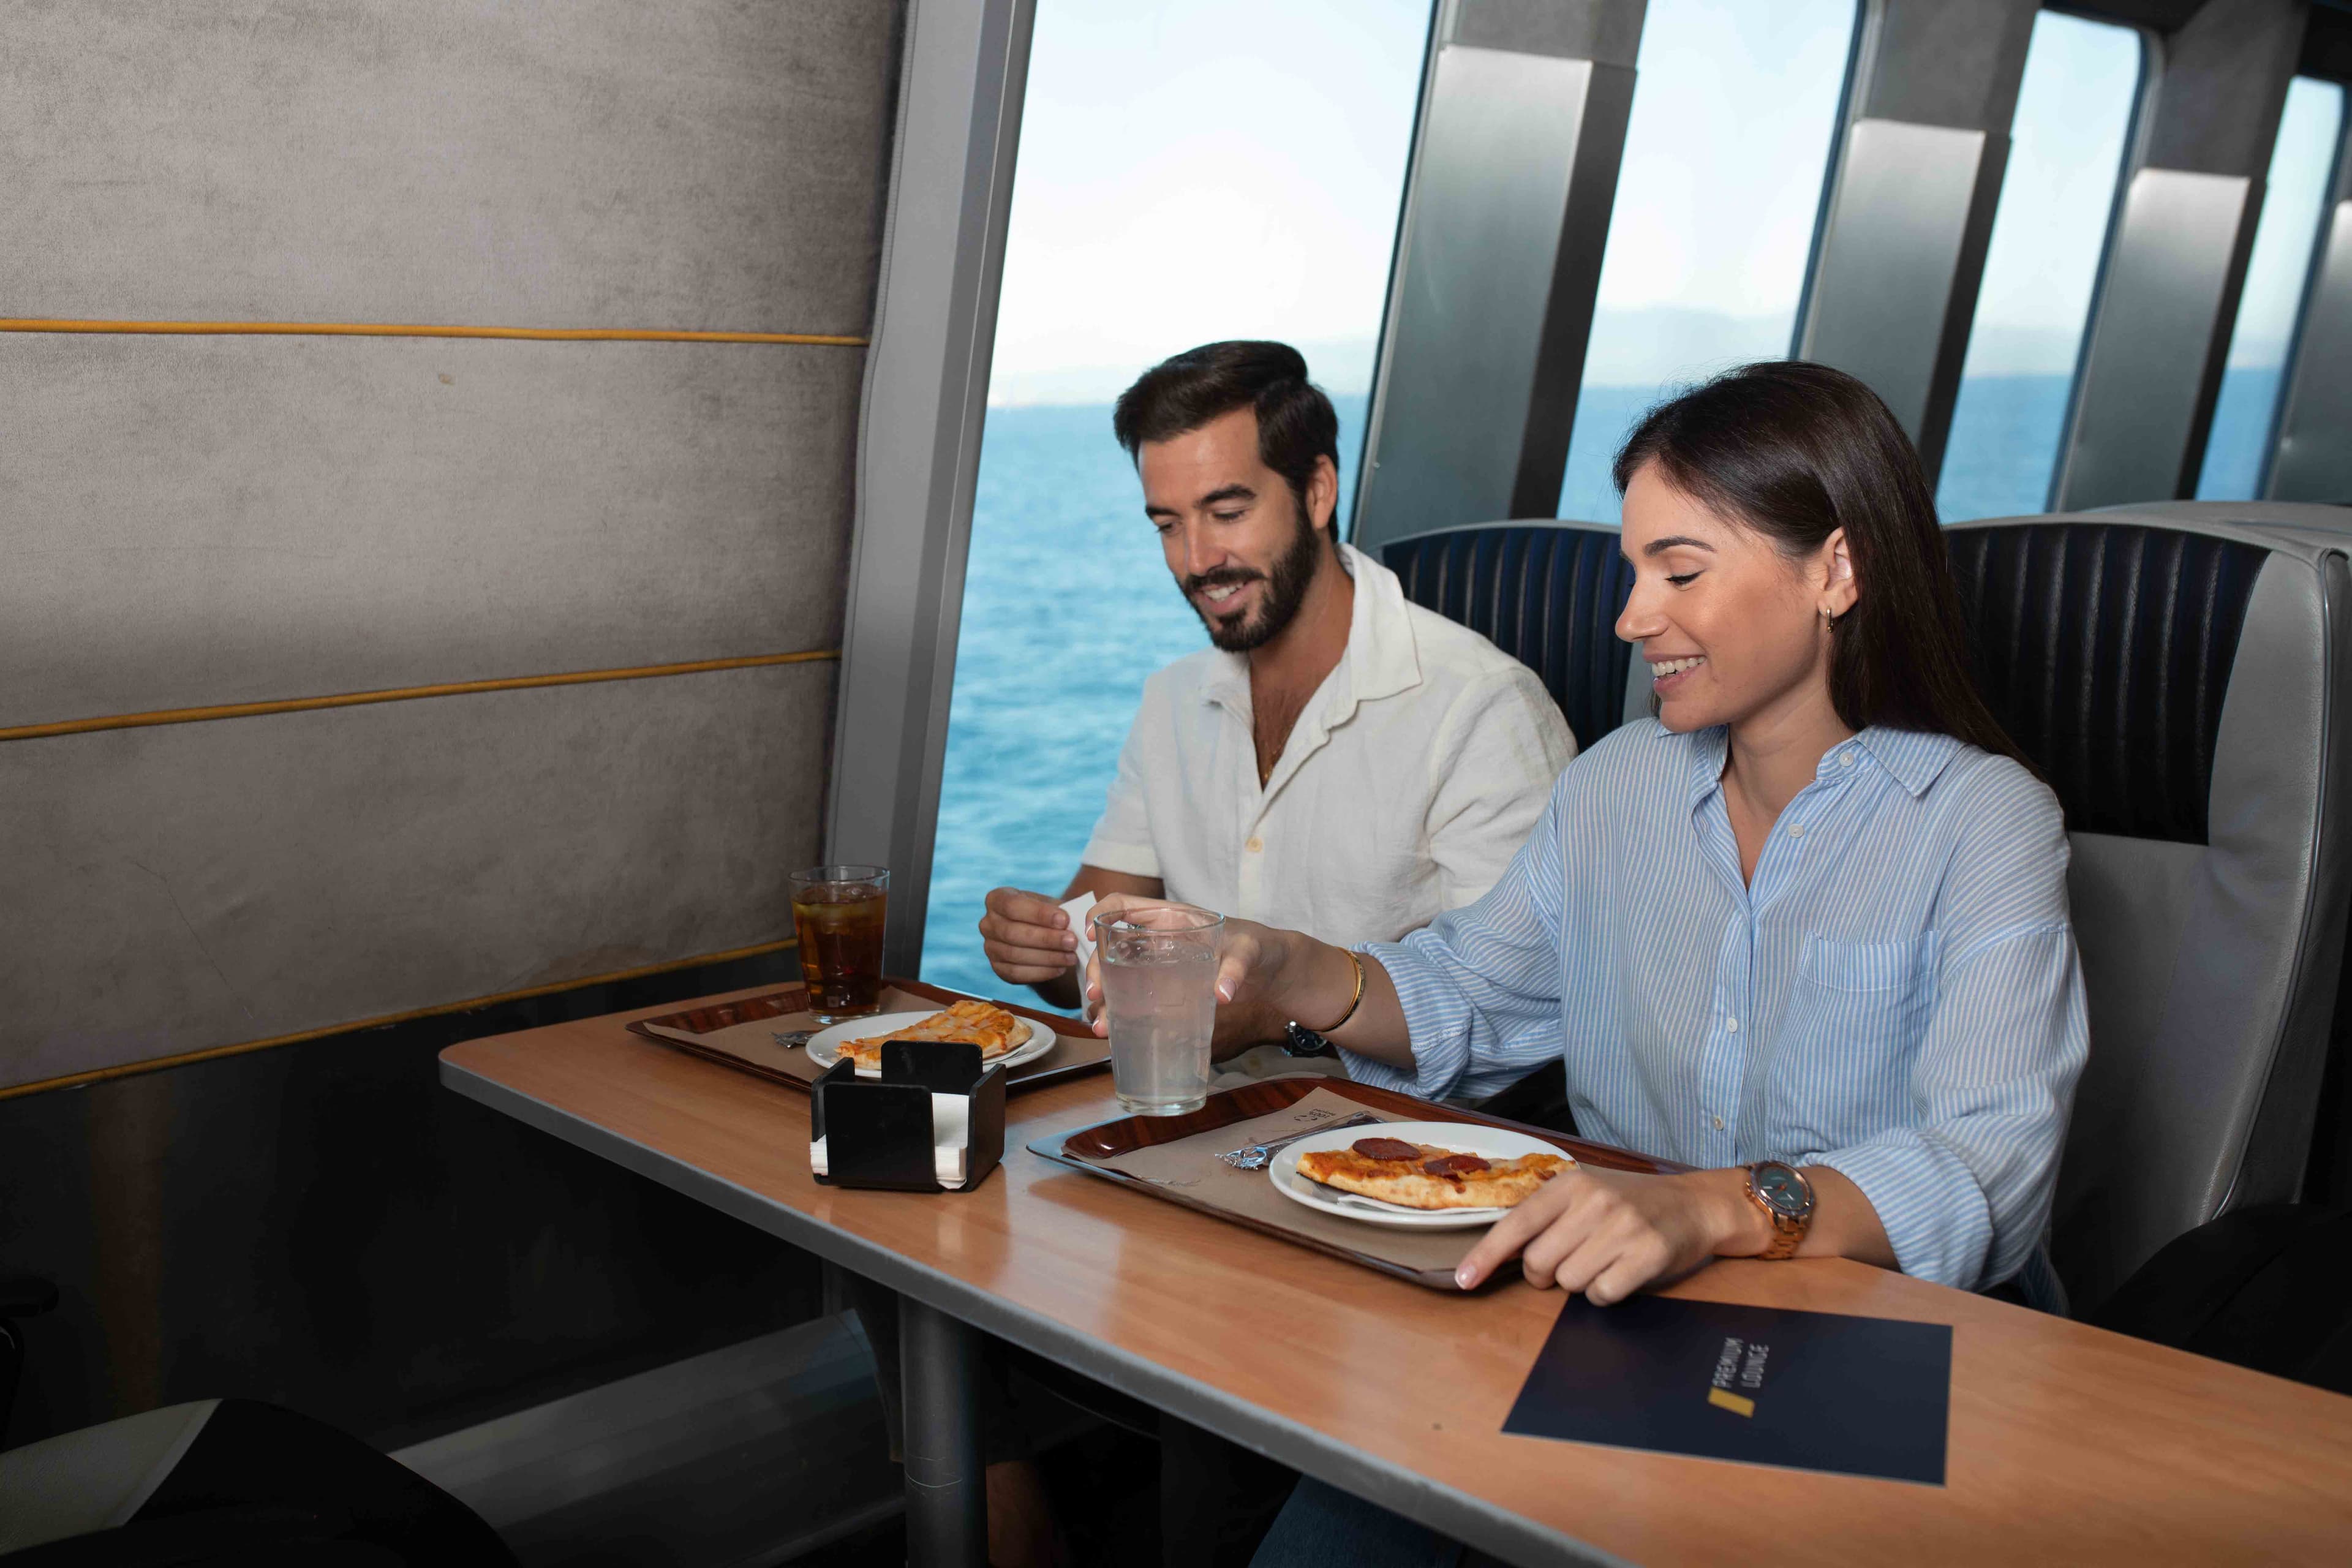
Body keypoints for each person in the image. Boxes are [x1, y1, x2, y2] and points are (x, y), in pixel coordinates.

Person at [1082, 361, 2091, 1567]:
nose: (1630, 617)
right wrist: (1286, 963)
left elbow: (1996, 1163)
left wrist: (1716, 1204)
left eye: (1680, 570)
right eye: (1631, 572)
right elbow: (1468, 992)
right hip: (1618, 1319)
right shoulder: (1615, 785)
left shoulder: (1985, 821)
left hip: (1875, 1344)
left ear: (1835, 568)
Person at [979, 340, 1576, 1079]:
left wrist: (1277, 1016)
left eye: (1226, 512)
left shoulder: (1484, 708)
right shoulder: (1171, 699)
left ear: (1318, 492)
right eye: (1168, 525)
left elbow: (1518, 1014)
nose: (1196, 560)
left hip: (1397, 1159)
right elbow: (1093, 947)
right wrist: (1041, 951)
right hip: (1192, 1123)